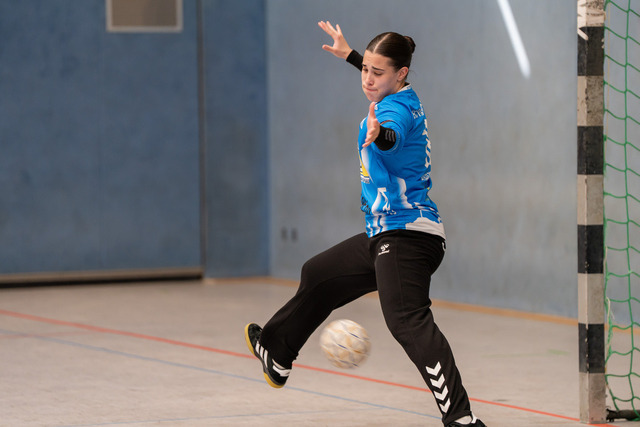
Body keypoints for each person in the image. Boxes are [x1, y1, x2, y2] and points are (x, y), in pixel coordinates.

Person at [244, 21, 485, 427]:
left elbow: (392, 134)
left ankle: (461, 419)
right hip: (385, 231)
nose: (367, 79)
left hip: (407, 235)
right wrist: (351, 55)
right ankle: (277, 353)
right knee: (318, 274)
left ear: (401, 74)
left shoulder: (396, 111)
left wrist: (380, 135)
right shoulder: (397, 91)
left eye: (377, 72)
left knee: (406, 320)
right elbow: (376, 73)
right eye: (365, 70)